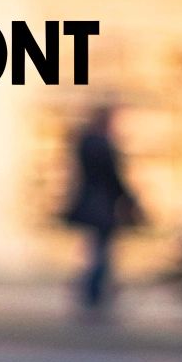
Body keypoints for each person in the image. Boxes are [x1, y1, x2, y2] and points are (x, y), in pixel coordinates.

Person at [62, 105, 141, 312]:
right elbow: (114, 177)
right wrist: (130, 201)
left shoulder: (85, 143)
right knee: (101, 251)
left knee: (95, 249)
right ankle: (93, 292)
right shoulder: (103, 145)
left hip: (90, 202)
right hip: (103, 205)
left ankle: (91, 290)